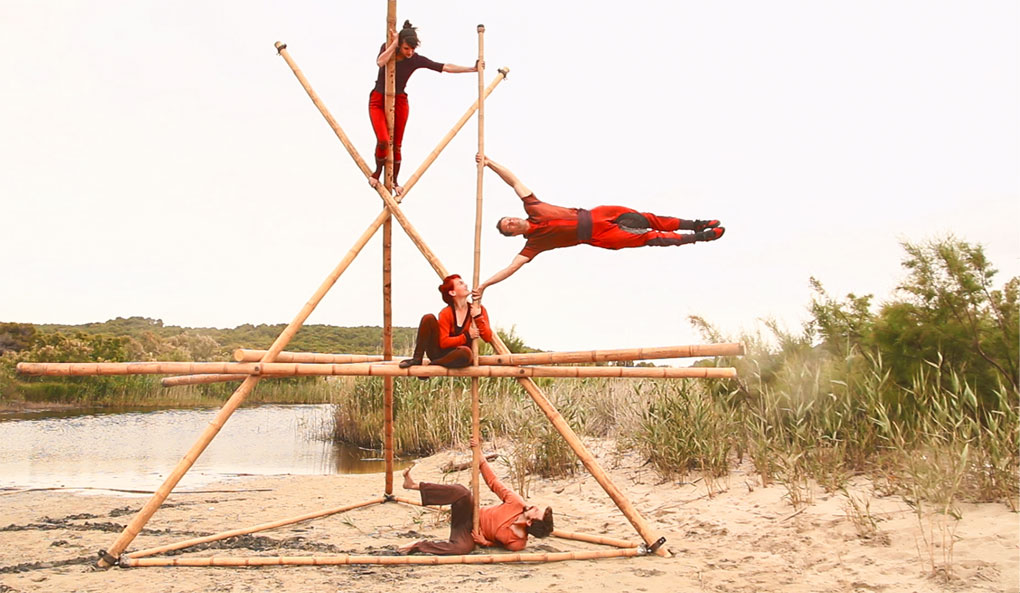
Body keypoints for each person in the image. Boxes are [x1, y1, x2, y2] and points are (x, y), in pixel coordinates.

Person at [472, 155, 726, 298]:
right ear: (513, 234)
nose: (512, 222)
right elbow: (511, 268)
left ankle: (697, 224)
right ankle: (701, 237)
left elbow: (514, 181)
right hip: (599, 236)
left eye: (509, 219)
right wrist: (484, 285)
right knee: (651, 237)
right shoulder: (533, 245)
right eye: (508, 226)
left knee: (648, 218)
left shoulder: (533, 207)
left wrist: (489, 163)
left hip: (597, 214)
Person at [369, 21, 480, 195]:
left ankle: (394, 181)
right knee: (383, 140)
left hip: (399, 100)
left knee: (396, 145)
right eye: (406, 48)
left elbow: (444, 67)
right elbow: (380, 62)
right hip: (378, 99)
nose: (409, 52)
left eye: (412, 49)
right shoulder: (388, 47)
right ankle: (376, 173)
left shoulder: (415, 59)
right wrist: (393, 44)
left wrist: (472, 69)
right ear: (400, 45)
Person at [397, 439, 554, 555]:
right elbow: (493, 482)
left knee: (462, 548)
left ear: (529, 522)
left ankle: (419, 545)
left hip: (469, 534)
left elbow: (497, 545)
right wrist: (479, 454)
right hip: (468, 513)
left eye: (536, 511)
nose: (534, 507)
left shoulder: (517, 544)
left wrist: (484, 542)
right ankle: (413, 485)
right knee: (463, 492)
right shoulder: (517, 503)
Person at [398, 274, 495, 370]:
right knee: (428, 318)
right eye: (460, 283)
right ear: (452, 292)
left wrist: (478, 317)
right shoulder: (446, 313)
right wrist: (467, 336)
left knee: (466, 353)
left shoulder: (478, 310)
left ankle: (435, 364)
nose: (465, 285)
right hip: (439, 353)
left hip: (459, 355)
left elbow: (487, 337)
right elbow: (444, 342)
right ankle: (417, 359)